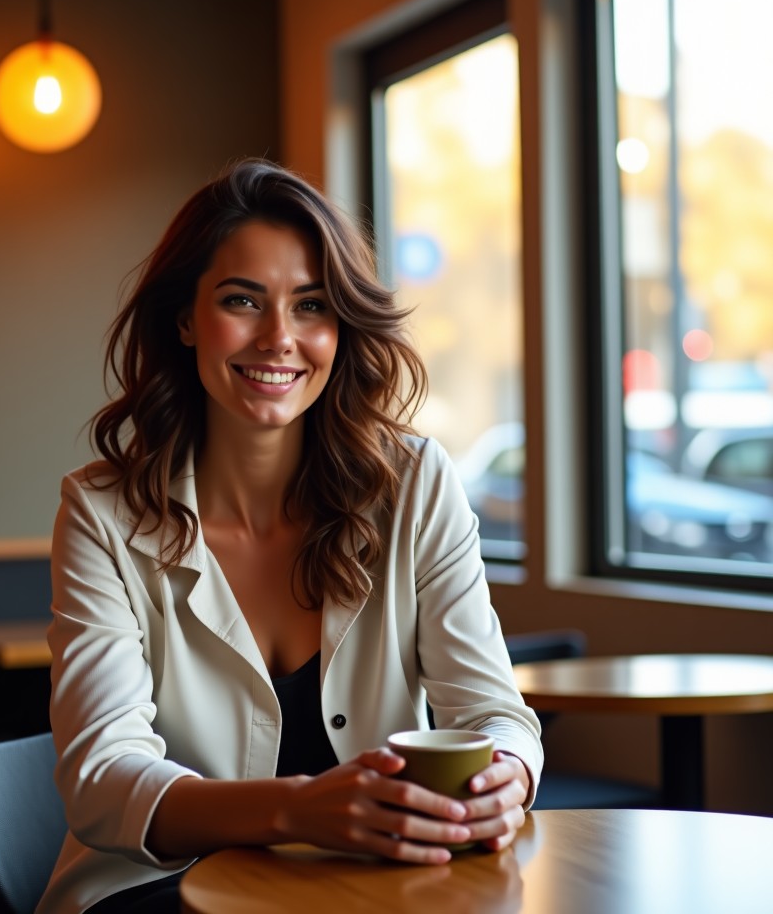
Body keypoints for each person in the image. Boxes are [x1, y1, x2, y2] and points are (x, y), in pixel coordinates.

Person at [39, 158, 543, 914]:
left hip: (375, 890)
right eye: (243, 301)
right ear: (185, 318)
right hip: (155, 894)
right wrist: (298, 810)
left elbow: (495, 714)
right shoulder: (100, 511)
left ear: (341, 328)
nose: (279, 338)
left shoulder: (415, 486)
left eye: (312, 306)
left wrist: (508, 774)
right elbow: (103, 780)